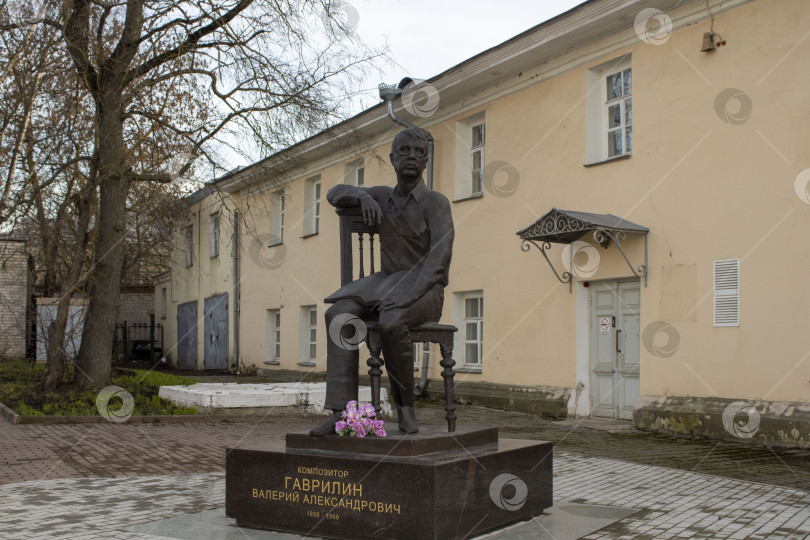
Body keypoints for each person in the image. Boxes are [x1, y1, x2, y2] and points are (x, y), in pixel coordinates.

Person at [310, 127, 454, 436]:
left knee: (391, 321)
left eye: (418, 152)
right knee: (337, 314)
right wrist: (362, 195)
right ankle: (341, 413)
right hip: (385, 283)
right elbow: (334, 191)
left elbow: (439, 259)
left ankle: (405, 408)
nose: (411, 158)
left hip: (426, 289)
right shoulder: (382, 196)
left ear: (426, 160)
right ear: (392, 158)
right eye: (404, 151)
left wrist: (409, 295)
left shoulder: (436, 202)